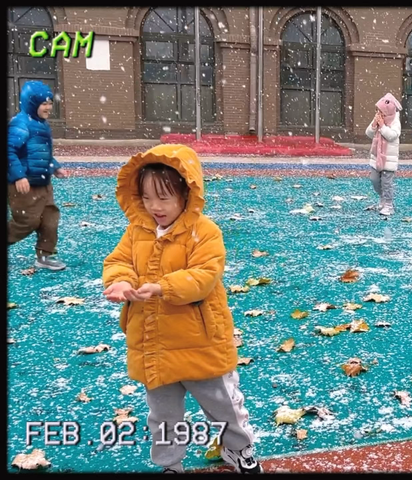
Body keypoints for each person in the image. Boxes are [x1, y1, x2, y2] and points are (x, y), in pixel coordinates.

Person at [102, 144, 263, 474]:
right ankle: (170, 464)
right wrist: (119, 281)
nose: (154, 207)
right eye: (146, 198)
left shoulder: (204, 232)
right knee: (163, 414)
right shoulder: (137, 231)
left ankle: (239, 448)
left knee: (223, 405)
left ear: (186, 194)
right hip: (153, 344)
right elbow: (119, 261)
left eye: (163, 198)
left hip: (200, 342)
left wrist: (164, 286)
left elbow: (204, 277)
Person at [7, 80, 67, 270]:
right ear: (32, 104)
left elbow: (42, 151)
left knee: (50, 218)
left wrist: (54, 167)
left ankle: (44, 255)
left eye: (50, 103)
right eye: (44, 103)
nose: (48, 107)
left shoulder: (42, 125)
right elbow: (9, 150)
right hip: (23, 185)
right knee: (27, 221)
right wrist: (18, 176)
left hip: (43, 182)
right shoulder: (21, 123)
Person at [365, 92, 402, 216]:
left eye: (380, 110)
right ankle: (382, 198)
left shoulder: (395, 122)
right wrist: (374, 126)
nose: (378, 113)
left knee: (387, 183)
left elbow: (392, 136)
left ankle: (388, 204)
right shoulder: (378, 120)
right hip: (376, 157)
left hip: (388, 159)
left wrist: (382, 127)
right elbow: (369, 134)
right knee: (374, 180)